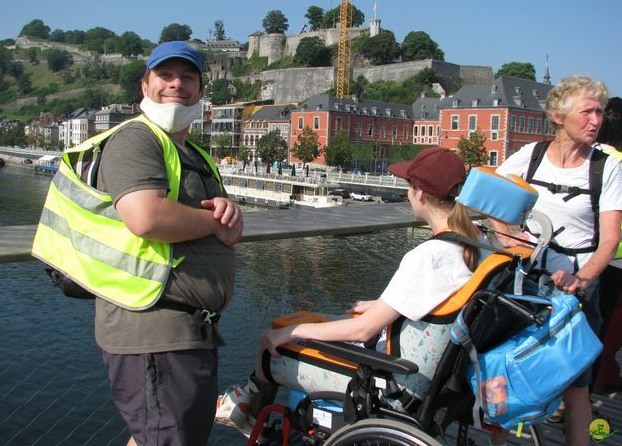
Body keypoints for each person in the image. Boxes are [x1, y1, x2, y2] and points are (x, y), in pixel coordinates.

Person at [33, 41, 243, 446]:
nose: (176, 84)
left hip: (186, 327)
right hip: (152, 325)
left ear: (201, 91)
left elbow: (203, 218)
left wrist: (228, 214)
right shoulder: (137, 139)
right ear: (145, 85)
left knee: (157, 436)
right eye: (165, 75)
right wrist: (215, 225)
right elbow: (146, 217)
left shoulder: (192, 152)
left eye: (188, 77)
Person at [215, 147, 487, 437]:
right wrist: (384, 304)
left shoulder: (428, 255)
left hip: (393, 379)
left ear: (419, 193)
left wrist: (292, 332)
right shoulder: (478, 243)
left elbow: (361, 331)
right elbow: (442, 298)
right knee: (313, 322)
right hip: (442, 379)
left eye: (409, 186)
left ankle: (250, 416)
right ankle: (246, 406)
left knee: (272, 343)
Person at [491, 76, 622, 446]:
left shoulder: (606, 168)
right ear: (558, 115)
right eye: (587, 112)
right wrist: (507, 238)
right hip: (525, 282)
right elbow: (486, 196)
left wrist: (584, 279)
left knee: (575, 387)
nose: (596, 120)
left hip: (575, 292)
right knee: (503, 369)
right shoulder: (530, 156)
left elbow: (610, 240)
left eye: (600, 112)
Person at [593, 97, 622, 394]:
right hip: (614, 257)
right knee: (608, 323)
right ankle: (602, 374)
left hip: (577, 253)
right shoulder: (619, 162)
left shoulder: (586, 156)